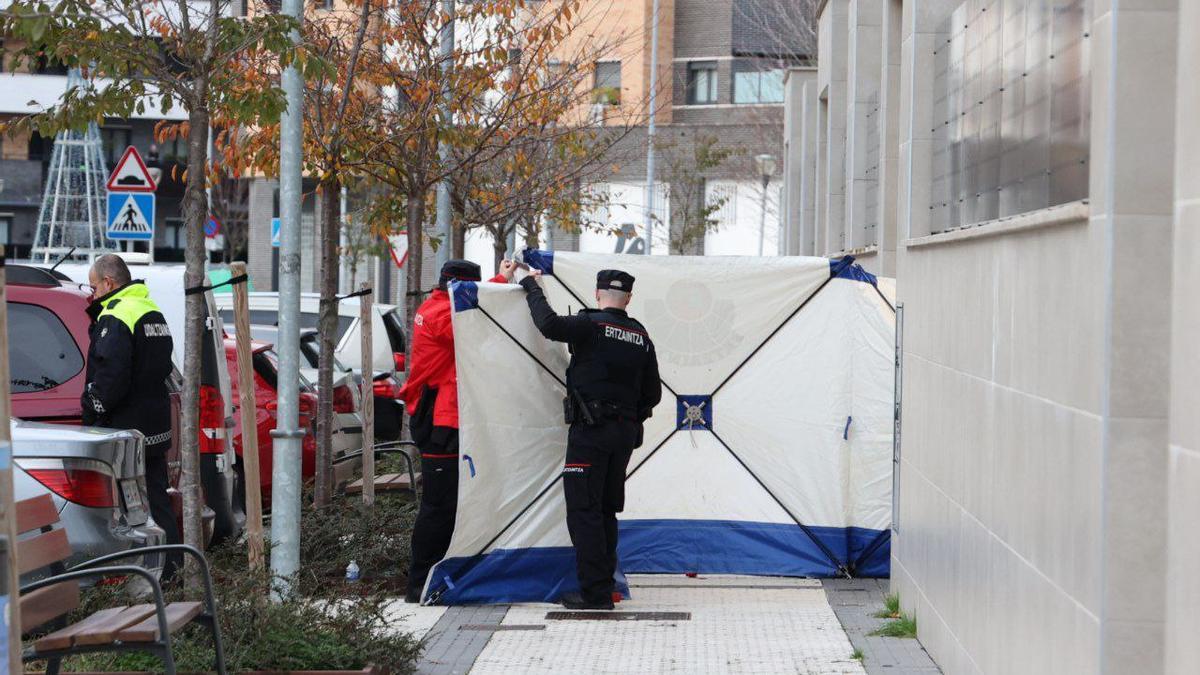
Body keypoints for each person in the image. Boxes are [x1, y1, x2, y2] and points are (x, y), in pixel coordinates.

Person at [519, 267, 661, 610]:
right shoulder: (641, 336)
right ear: (628, 298)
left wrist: (531, 287)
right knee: (606, 509)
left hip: (591, 431)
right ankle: (607, 586)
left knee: (585, 510)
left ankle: (594, 593)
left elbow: (549, 324)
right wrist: (629, 416)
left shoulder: (589, 324)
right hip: (624, 434)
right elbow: (653, 394)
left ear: (598, 294)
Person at [402, 258, 517, 602]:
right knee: (439, 506)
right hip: (439, 422)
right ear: (460, 289)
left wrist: (501, 279)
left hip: (446, 418)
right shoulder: (441, 316)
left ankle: (435, 576)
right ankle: (420, 582)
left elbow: (473, 309)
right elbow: (476, 324)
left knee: (448, 504)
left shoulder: (440, 305)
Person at [81, 254, 181, 582]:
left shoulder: (116, 315)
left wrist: (91, 407)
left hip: (124, 429)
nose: (93, 294)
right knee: (157, 500)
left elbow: (111, 377)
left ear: (108, 283)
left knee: (123, 508)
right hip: (155, 425)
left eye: (94, 287)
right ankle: (172, 572)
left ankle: (131, 576)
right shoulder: (151, 310)